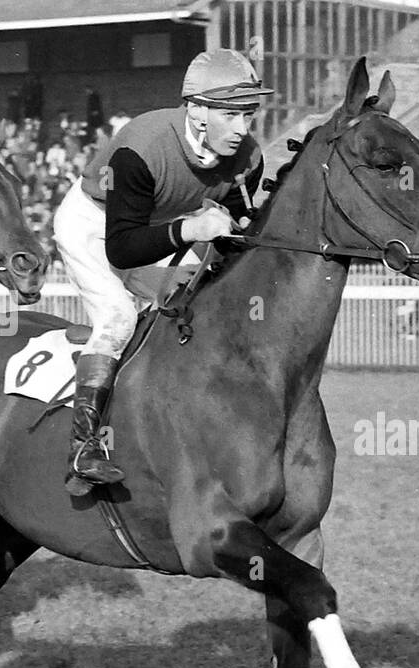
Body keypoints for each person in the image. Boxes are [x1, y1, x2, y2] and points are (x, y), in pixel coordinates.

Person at [54, 49, 269, 492]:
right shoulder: (141, 146)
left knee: (199, 305)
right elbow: (124, 248)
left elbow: (229, 237)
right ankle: (85, 444)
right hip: (97, 225)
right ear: (196, 109)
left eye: (248, 114)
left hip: (157, 224)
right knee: (117, 317)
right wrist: (192, 228)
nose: (242, 130)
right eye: (230, 115)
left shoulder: (248, 159)